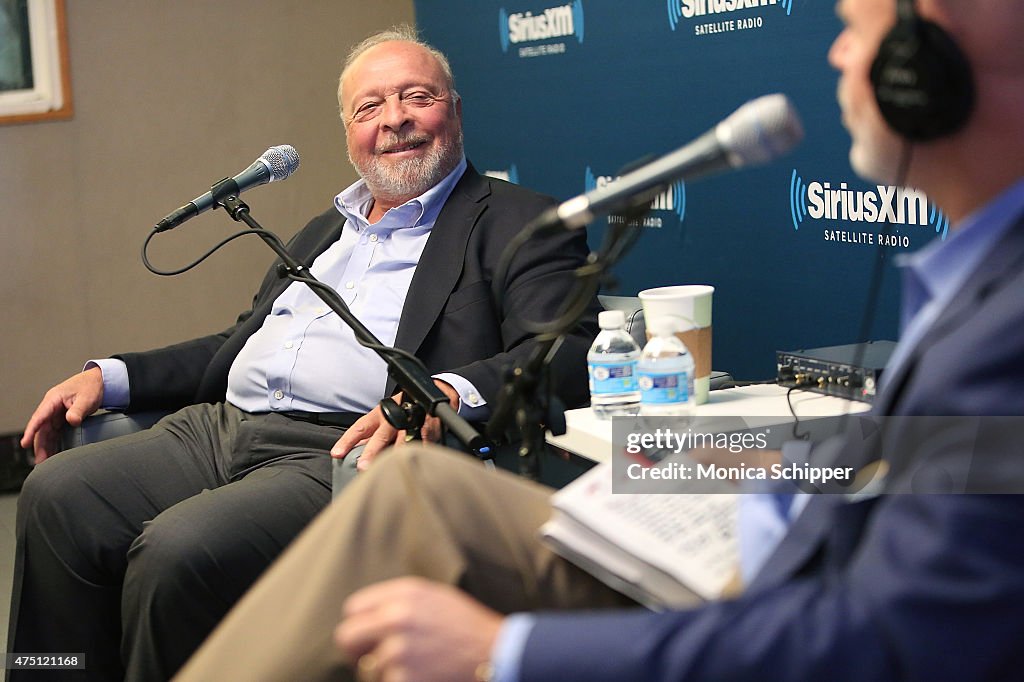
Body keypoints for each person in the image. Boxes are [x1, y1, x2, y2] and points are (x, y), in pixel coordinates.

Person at [174, 1, 1024, 680]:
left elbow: (887, 640)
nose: (838, 58)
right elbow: (939, 462)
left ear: (928, 70)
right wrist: (761, 468)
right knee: (419, 489)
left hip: (777, 605)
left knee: (252, 543)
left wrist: (501, 652)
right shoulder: (979, 276)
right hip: (780, 539)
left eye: (852, 30)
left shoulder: (1006, 327)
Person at [8, 26, 598, 681]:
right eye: (369, 108)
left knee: (179, 551)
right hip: (218, 429)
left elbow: (564, 348)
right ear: (349, 133)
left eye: (416, 97)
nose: (395, 119)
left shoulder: (519, 221)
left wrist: (448, 391)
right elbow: (237, 345)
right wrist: (111, 377)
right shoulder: (325, 232)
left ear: (454, 111)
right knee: (57, 493)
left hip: (338, 451)